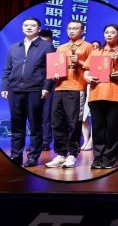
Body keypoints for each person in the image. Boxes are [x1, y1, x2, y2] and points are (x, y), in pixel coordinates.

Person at [1, 17, 55, 167]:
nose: (29, 27)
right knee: (16, 125)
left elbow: (51, 70)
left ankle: (33, 157)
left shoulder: (47, 47)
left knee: (35, 125)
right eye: (26, 25)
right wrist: (5, 87)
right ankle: (16, 155)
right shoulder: (14, 47)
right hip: (15, 90)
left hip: (35, 90)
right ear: (22, 28)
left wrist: (47, 87)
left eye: (32, 25)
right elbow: (7, 69)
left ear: (39, 29)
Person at [83, 24, 118, 169]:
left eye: (112, 32)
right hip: (96, 94)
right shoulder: (96, 52)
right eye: (106, 32)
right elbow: (86, 71)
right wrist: (87, 77)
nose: (109, 35)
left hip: (116, 95)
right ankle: (98, 158)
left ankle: (109, 159)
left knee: (113, 128)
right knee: (98, 128)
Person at [45, 20, 93, 169]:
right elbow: (55, 67)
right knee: (57, 122)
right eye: (69, 28)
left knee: (74, 122)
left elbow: (92, 67)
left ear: (82, 30)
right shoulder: (61, 47)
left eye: (75, 28)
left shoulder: (88, 46)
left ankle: (72, 154)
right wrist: (54, 74)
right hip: (59, 88)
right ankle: (60, 154)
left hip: (77, 88)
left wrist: (79, 62)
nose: (71, 30)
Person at [81, 40, 101, 149]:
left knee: (95, 118)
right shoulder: (88, 60)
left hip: (97, 89)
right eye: (93, 46)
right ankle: (85, 140)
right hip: (85, 89)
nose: (95, 48)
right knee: (83, 118)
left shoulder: (102, 59)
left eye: (97, 46)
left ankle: (91, 141)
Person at [39, 29, 55, 151]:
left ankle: (45, 141)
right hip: (34, 87)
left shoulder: (54, 52)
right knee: (34, 115)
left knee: (46, 115)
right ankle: (36, 142)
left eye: (47, 42)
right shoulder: (34, 51)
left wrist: (47, 87)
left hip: (49, 87)